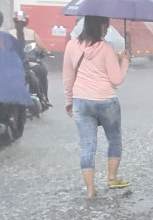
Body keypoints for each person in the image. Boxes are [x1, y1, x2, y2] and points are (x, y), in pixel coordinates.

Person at [63, 15, 131, 198]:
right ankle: (112, 178)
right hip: (106, 100)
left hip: (81, 101)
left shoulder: (71, 46)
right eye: (106, 26)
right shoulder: (106, 49)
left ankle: (90, 190)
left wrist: (69, 101)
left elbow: (68, 77)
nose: (107, 29)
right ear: (101, 26)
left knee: (87, 146)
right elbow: (116, 80)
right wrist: (125, 61)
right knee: (114, 138)